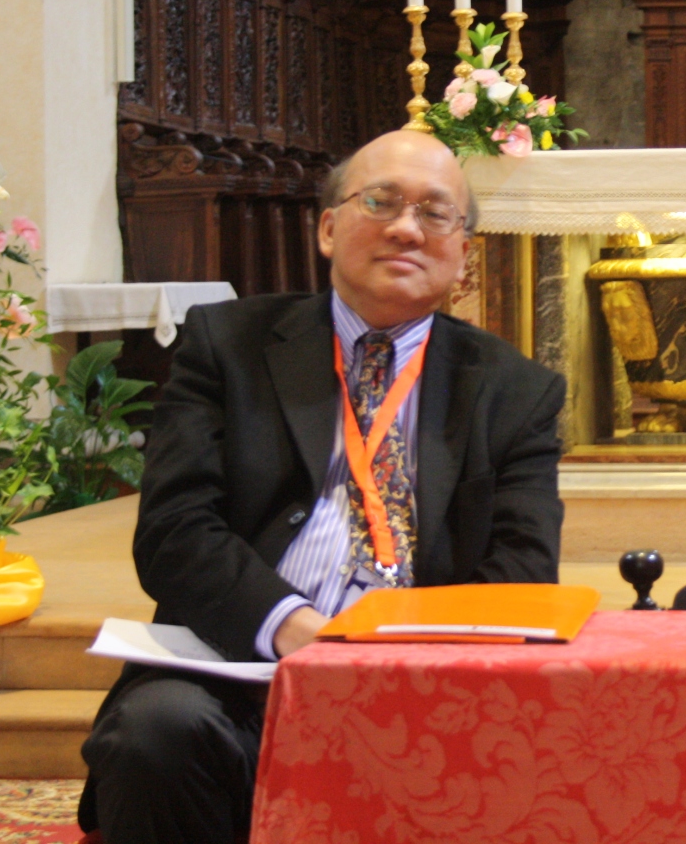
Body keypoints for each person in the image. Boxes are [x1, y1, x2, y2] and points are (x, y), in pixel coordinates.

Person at [78, 130, 566, 844]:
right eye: (382, 202)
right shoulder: (227, 344)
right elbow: (175, 530)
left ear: (463, 253)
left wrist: (396, 654)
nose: (406, 228)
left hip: (427, 682)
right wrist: (295, 630)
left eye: (435, 213)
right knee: (156, 730)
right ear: (329, 229)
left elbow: (523, 570)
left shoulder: (517, 391)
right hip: (239, 666)